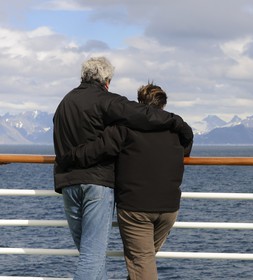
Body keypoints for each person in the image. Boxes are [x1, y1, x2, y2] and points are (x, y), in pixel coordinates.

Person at [53, 57, 188, 280]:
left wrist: (66, 160)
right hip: (96, 183)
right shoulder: (106, 100)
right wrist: (175, 122)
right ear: (106, 80)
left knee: (90, 253)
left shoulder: (65, 102)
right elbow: (141, 114)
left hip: (68, 183)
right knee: (92, 256)